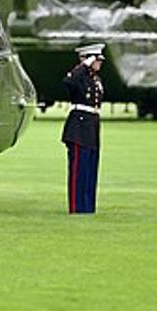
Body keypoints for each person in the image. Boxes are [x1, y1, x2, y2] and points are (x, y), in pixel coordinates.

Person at [62, 43, 104, 214]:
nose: (99, 63)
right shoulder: (79, 76)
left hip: (92, 125)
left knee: (90, 168)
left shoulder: (95, 79)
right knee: (79, 169)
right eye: (96, 59)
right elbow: (68, 82)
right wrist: (84, 64)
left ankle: (88, 206)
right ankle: (77, 206)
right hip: (79, 127)